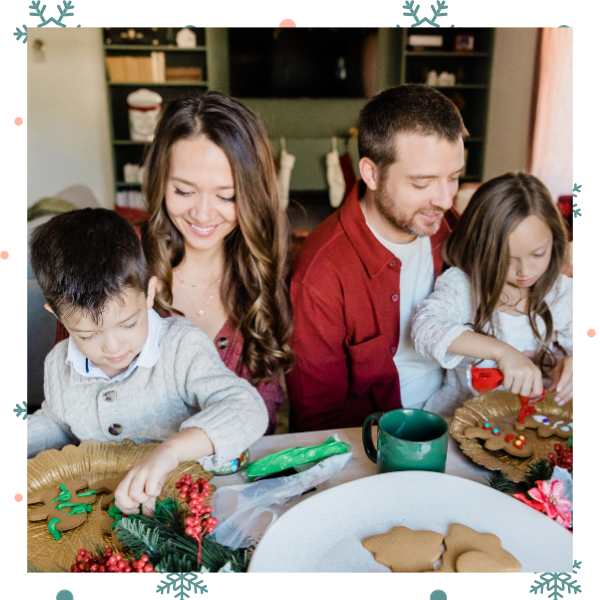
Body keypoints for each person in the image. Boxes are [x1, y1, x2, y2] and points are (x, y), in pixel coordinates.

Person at [27, 209, 269, 515]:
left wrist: (172, 452)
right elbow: (57, 422)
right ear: (57, 315)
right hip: (102, 515)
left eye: (129, 324)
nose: (113, 347)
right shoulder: (58, 364)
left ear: (150, 293)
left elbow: (247, 409)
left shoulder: (181, 348)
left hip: (186, 510)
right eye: (88, 335)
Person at [286, 84, 467, 431]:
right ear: (371, 173)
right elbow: (318, 420)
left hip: (462, 418)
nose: (445, 200)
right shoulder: (320, 273)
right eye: (421, 183)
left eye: (454, 178)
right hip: (380, 441)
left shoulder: (450, 230)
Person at [139, 92, 295, 434]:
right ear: (160, 183)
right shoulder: (120, 266)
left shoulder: (260, 271)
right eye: (184, 191)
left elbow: (264, 416)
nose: (204, 214)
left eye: (227, 196)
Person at [412, 172, 573, 418]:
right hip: (460, 419)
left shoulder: (560, 292)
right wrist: (502, 352)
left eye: (538, 254)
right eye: (508, 259)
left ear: (555, 241)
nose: (525, 272)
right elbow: (425, 328)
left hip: (537, 426)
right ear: (481, 249)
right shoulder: (462, 287)